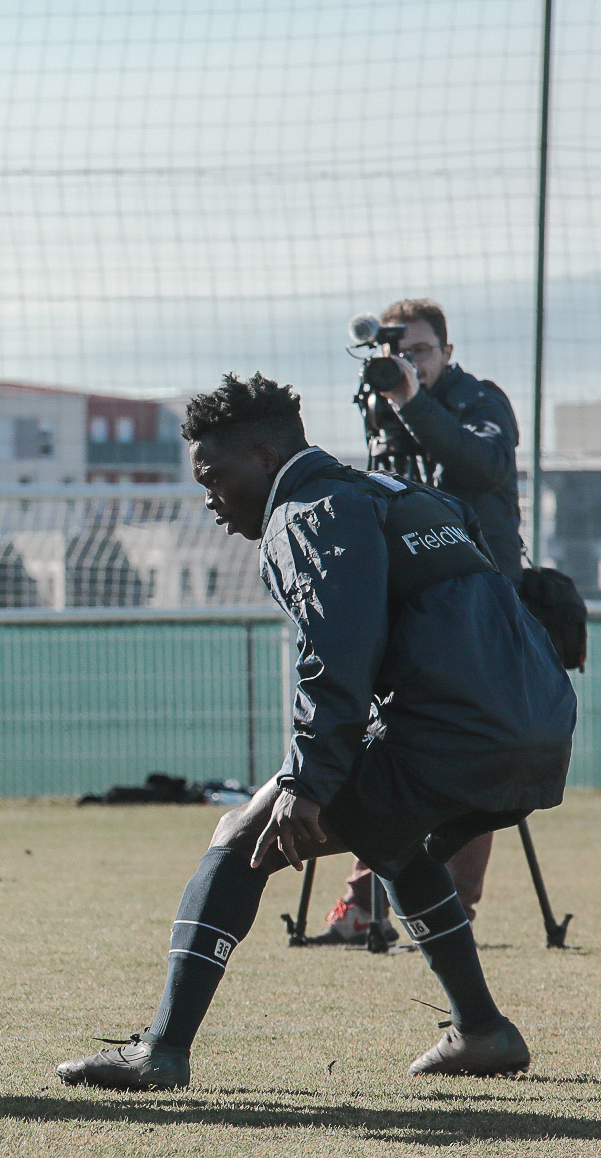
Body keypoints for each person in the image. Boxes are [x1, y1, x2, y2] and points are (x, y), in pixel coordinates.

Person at [56, 373, 573, 1090]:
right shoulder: (405, 495)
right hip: (541, 735)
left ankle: (162, 1050)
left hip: (454, 737)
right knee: (388, 839)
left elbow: (336, 656)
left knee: (240, 836)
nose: (207, 495)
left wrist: (307, 783)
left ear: (267, 456)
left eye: (213, 474)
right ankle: (483, 1031)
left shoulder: (307, 512)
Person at [316, 298, 521, 943]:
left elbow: (480, 465)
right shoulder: (385, 413)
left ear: (447, 354)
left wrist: (411, 401)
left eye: (421, 351)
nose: (407, 363)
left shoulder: (477, 401)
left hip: (481, 606)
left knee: (471, 753)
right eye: (395, 353)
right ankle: (362, 908)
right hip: (409, 607)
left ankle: (450, 918)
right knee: (377, 739)